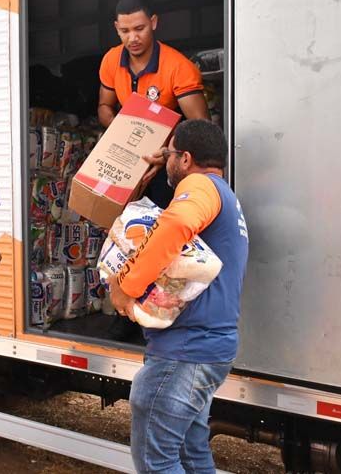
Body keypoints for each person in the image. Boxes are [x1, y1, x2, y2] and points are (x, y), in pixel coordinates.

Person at [108, 119, 249, 474]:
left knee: (158, 463)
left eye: (169, 154)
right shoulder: (223, 194)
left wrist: (127, 286)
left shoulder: (199, 186)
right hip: (205, 347)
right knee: (190, 454)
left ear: (185, 159)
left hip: (184, 353)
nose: (165, 161)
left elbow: (174, 224)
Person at [98, 0, 211, 341]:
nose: (133, 38)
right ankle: (126, 313)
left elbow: (201, 127)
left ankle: (162, 316)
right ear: (116, 29)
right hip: (128, 164)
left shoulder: (178, 67)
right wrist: (123, 137)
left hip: (167, 169)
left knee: (163, 245)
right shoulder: (110, 61)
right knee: (124, 238)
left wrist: (164, 154)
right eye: (124, 31)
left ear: (155, 23)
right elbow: (104, 106)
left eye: (140, 28)